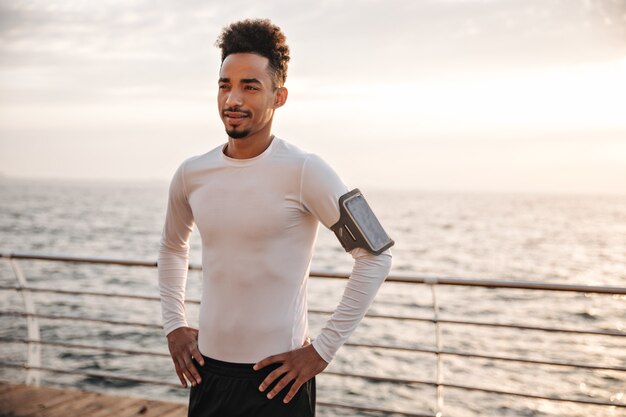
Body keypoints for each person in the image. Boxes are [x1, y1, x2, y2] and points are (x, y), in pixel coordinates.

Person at [157, 18, 392, 417]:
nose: (233, 99)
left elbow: (376, 254)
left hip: (279, 383)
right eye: (224, 85)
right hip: (208, 377)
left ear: (278, 96)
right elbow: (171, 247)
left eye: (250, 86)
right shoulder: (191, 173)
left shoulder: (306, 170)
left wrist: (321, 351)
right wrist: (174, 325)